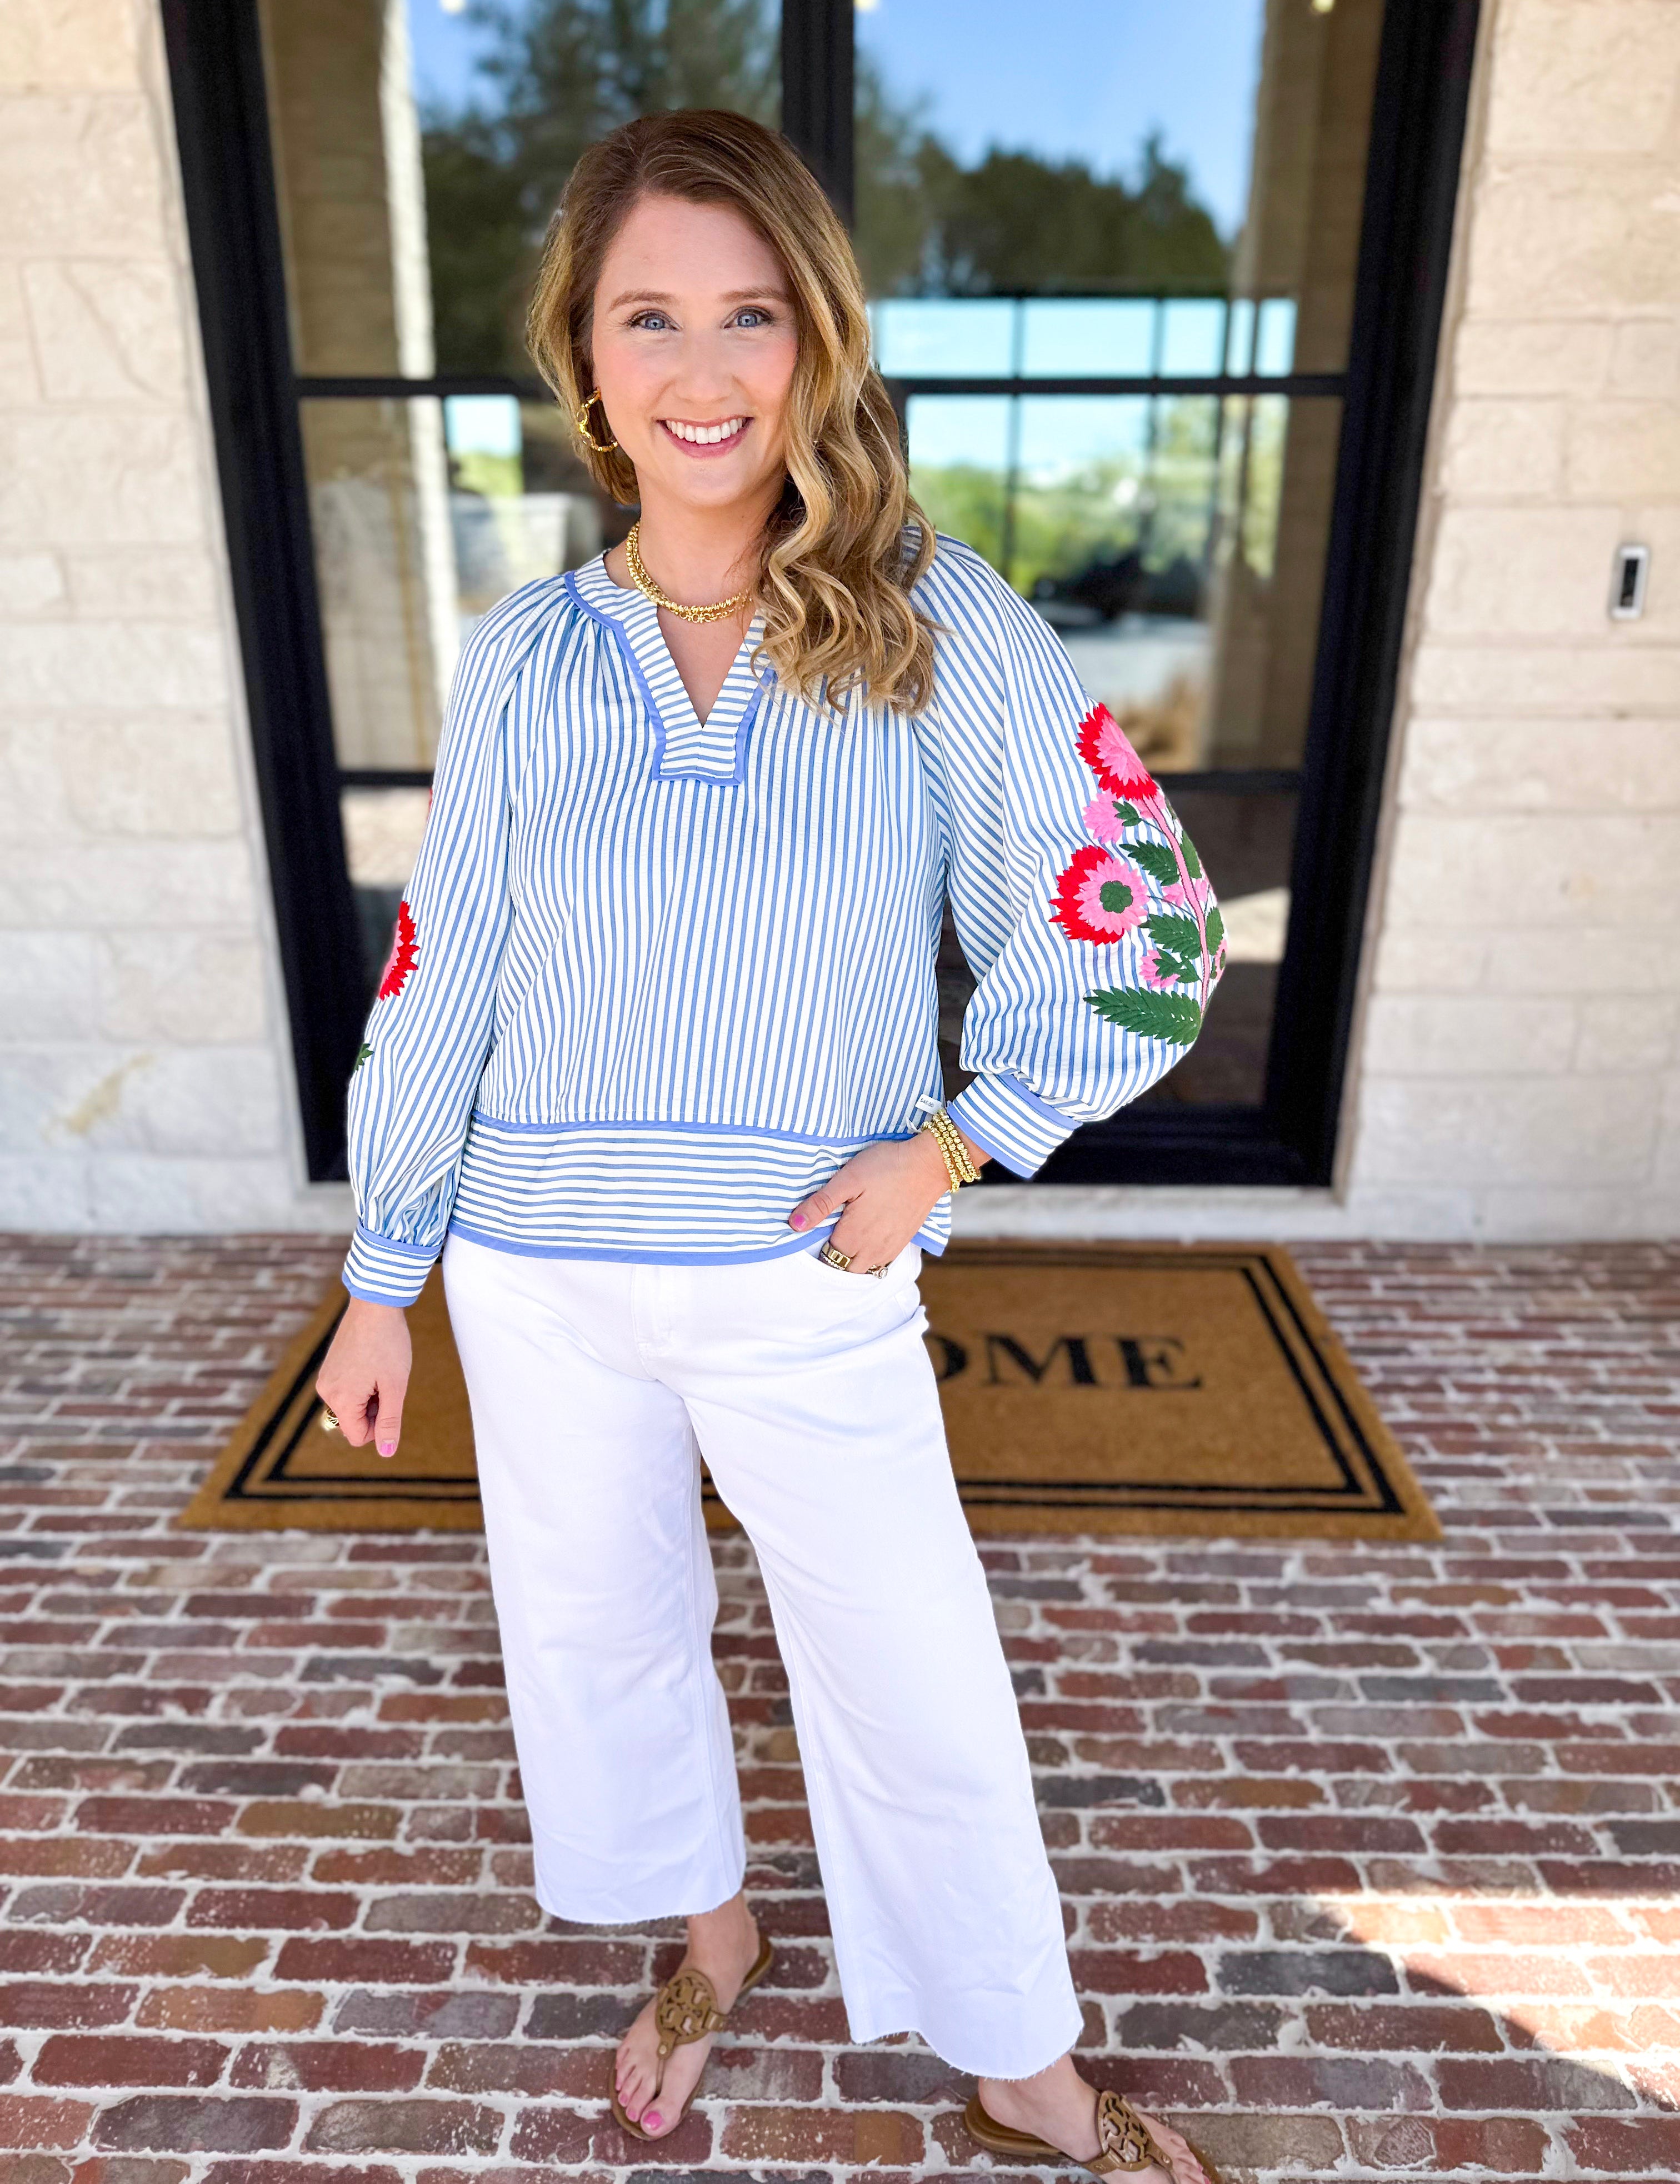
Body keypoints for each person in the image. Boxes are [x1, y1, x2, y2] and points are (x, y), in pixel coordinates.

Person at [317, 108, 1226, 2184]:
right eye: (653, 315)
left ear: (815, 344)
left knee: (914, 1676)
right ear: (586, 352)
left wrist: (964, 1136)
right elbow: (439, 969)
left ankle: (1020, 2062)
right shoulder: (529, 658)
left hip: (800, 1271)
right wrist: (385, 1272)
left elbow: (1141, 902)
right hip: (537, 1272)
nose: (704, 368)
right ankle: (711, 1933)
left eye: (751, 314)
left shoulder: (932, 619)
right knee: (598, 1635)